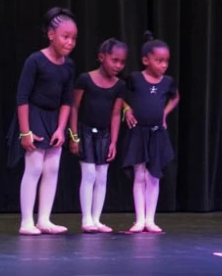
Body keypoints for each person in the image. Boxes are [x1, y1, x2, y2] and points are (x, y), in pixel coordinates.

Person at [9, 7, 77, 235]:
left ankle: (44, 219)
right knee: (35, 165)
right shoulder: (35, 60)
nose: (70, 42)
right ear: (51, 35)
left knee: (52, 167)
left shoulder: (68, 65)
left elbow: (67, 100)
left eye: (73, 38)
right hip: (34, 114)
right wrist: (25, 131)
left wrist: (61, 128)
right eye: (65, 37)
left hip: (54, 118)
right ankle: (26, 221)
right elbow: (22, 97)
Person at [121, 32, 179, 233]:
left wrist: (164, 114)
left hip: (156, 133)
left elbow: (175, 98)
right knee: (139, 175)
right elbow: (120, 95)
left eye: (166, 61)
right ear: (146, 60)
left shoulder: (167, 82)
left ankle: (150, 219)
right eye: (159, 60)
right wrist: (127, 109)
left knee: (153, 176)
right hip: (138, 132)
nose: (163, 65)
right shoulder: (135, 79)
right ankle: (139, 219)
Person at [68, 38, 128, 233]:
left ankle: (96, 218)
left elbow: (116, 114)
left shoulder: (119, 86)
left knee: (102, 176)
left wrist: (114, 141)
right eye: (114, 60)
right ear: (102, 57)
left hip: (105, 134)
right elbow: (74, 107)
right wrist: (74, 135)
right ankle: (86, 219)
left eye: (122, 62)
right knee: (89, 174)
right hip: (85, 131)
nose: (118, 65)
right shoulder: (85, 79)